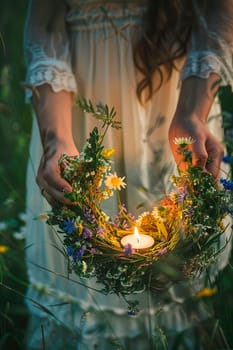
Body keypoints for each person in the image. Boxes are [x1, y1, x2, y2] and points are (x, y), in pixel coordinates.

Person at [23, 1, 233, 349]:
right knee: (85, 264)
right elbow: (44, 26)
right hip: (76, 106)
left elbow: (218, 10)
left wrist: (193, 112)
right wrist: (55, 137)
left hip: (177, 100)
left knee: (177, 263)